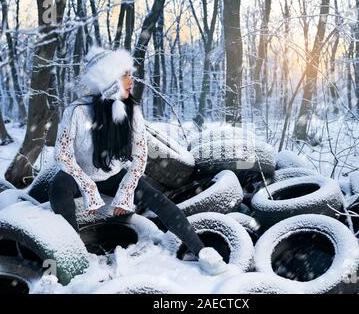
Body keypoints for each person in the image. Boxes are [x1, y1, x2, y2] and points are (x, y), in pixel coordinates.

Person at [48, 46, 226, 275]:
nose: (131, 81)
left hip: (111, 174)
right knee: (58, 188)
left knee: (158, 199)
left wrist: (125, 192)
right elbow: (62, 154)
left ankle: (202, 251)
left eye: (130, 75)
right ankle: (74, 256)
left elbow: (140, 156)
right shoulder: (76, 112)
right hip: (78, 174)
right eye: (124, 75)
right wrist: (89, 189)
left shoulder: (133, 112)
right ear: (108, 80)